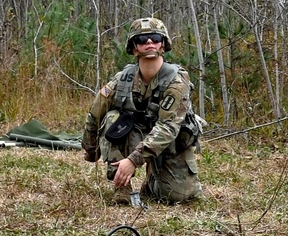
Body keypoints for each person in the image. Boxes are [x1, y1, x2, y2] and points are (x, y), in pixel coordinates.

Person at [82, 16, 203, 205]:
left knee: (179, 196)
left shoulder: (176, 81)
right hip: (135, 135)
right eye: (141, 39)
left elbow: (168, 128)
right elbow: (95, 113)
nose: (149, 42)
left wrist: (133, 160)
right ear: (134, 47)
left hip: (169, 142)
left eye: (155, 38)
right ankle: (121, 185)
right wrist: (91, 151)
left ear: (163, 44)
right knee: (113, 118)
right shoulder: (122, 79)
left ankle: (153, 180)